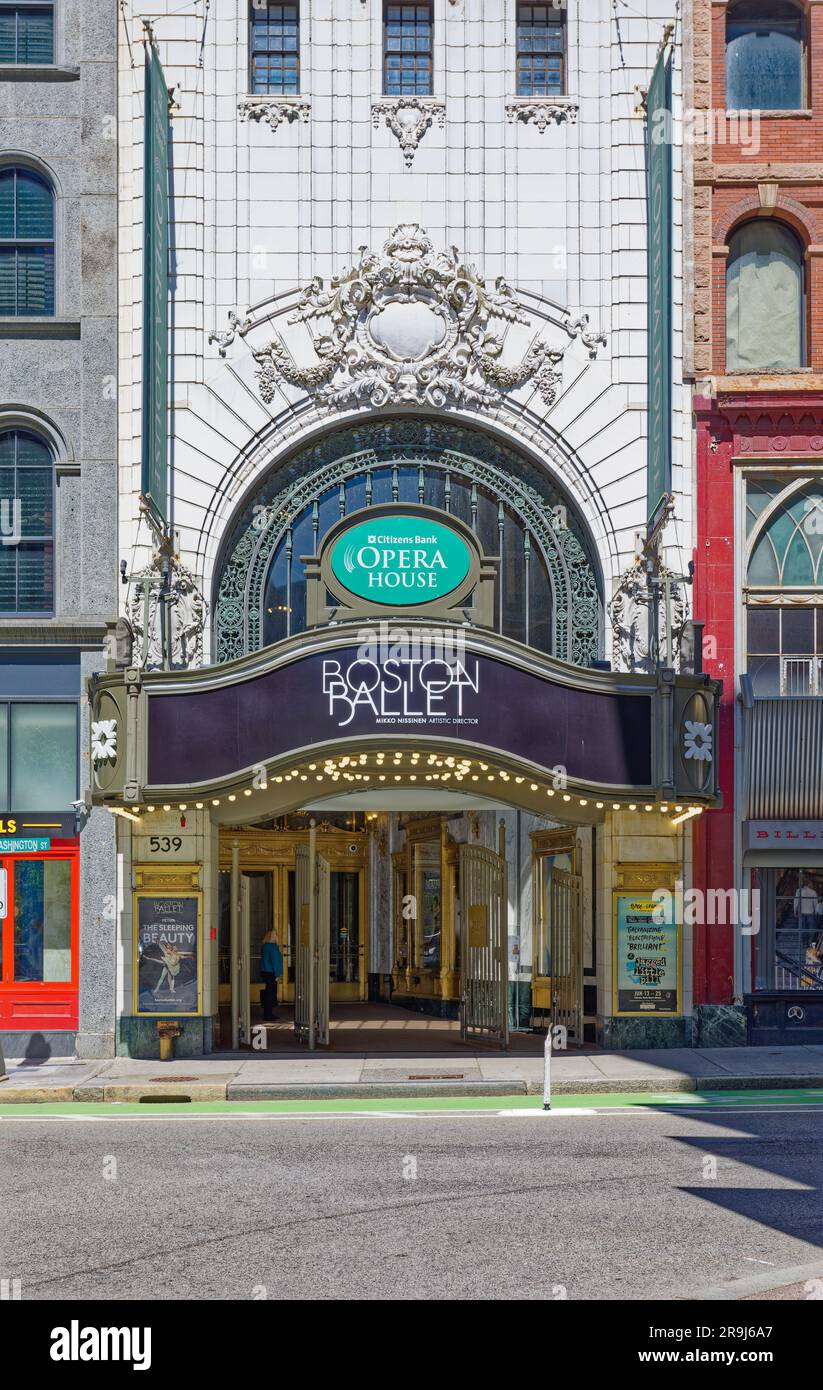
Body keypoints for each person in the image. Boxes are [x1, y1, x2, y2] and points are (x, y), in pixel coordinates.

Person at [260, 929, 284, 1022]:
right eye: (275, 935)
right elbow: (275, 962)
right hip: (271, 973)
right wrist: (278, 974)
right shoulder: (273, 947)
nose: (277, 937)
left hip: (265, 972)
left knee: (268, 993)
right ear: (271, 937)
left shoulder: (265, 946)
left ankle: (268, 1013)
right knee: (271, 994)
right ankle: (268, 1015)